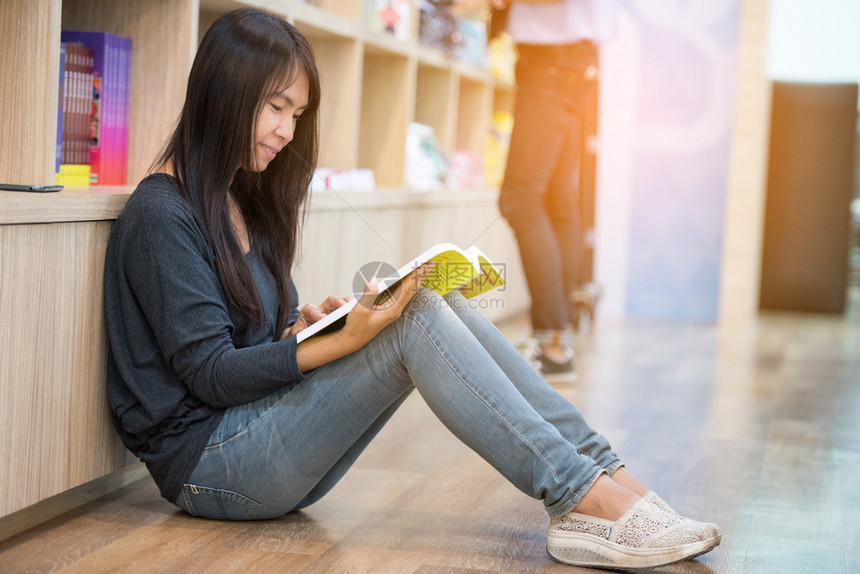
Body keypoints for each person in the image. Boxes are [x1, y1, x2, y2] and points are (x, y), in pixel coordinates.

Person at [102, 8, 720, 570]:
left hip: (254, 440)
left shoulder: (239, 197)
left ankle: (606, 474)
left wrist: (305, 326)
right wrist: (344, 343)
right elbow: (211, 375)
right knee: (416, 313)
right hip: (211, 467)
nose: (288, 131)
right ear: (223, 93)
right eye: (275, 107)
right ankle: (582, 497)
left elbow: (256, 337)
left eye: (297, 114)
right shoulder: (162, 214)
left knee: (431, 295)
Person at [493, 0, 617, 380]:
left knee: (520, 198)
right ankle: (556, 341)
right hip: (571, 63)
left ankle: (552, 345)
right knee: (556, 199)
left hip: (553, 63)